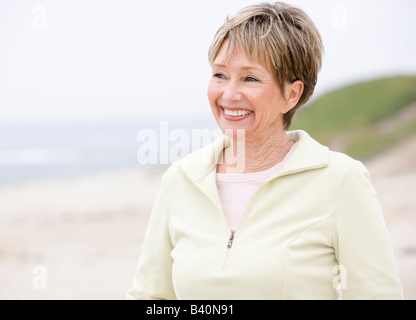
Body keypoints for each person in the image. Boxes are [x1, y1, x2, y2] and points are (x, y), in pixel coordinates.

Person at [126, 2, 403, 299]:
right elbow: (151, 298)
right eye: (220, 75)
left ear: (291, 94)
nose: (229, 94)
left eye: (250, 78)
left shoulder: (341, 181)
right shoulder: (181, 179)